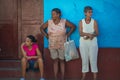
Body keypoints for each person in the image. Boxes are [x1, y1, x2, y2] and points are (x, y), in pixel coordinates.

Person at [40, 8, 75, 80]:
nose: (52, 15)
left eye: (53, 14)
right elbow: (41, 28)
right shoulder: (49, 22)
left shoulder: (64, 21)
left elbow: (73, 27)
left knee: (62, 60)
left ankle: (62, 78)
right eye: (52, 14)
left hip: (62, 44)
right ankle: (55, 78)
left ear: (58, 14)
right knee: (55, 60)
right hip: (52, 45)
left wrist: (67, 35)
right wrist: (46, 36)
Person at [79, 6, 99, 80]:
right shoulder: (81, 22)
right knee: (84, 59)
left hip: (93, 42)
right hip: (83, 42)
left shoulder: (94, 21)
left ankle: (95, 77)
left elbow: (97, 33)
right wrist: (88, 34)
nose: (91, 13)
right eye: (89, 12)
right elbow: (80, 33)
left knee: (93, 59)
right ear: (85, 13)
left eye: (91, 12)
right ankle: (83, 77)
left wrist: (92, 35)